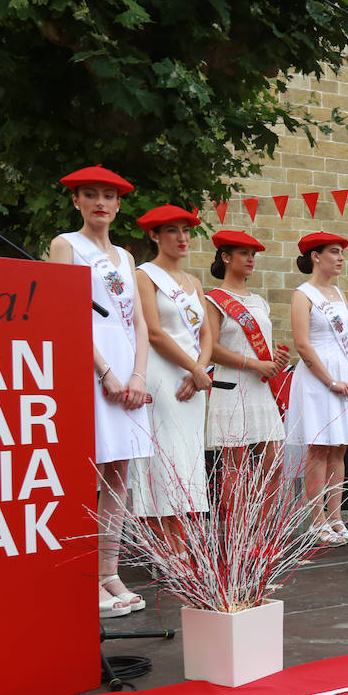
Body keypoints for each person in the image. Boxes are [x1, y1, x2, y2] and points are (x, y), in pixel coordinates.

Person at [47, 165, 152, 617]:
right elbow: (64, 311)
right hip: (88, 366)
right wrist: (105, 371)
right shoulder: (65, 246)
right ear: (76, 201)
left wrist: (138, 375)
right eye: (90, 195)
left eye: (108, 196)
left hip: (128, 367)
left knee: (119, 475)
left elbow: (140, 322)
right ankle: (83, 574)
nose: (100, 203)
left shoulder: (127, 257)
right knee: (85, 469)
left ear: (119, 204)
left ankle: (109, 570)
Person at [131, 205, 212, 539]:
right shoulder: (144, 275)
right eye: (172, 231)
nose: (182, 238)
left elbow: (207, 333)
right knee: (166, 457)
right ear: (154, 235)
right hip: (163, 375)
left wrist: (199, 371)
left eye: (186, 231)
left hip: (194, 379)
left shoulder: (193, 281)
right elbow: (153, 332)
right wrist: (195, 369)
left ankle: (182, 541)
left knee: (189, 458)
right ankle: (163, 547)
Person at [287, 231, 348, 545]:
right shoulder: (302, 294)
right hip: (317, 379)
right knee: (319, 448)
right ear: (315, 256)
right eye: (334, 251)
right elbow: (303, 345)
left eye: (342, 252)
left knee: (340, 447)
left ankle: (335, 518)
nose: (341, 258)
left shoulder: (339, 293)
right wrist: (330, 380)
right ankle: (315, 520)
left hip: (344, 375)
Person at [203, 230, 289, 490]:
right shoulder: (213, 300)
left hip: (260, 389)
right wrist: (255, 364)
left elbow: (257, 349)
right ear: (226, 257)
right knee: (235, 466)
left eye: (253, 255)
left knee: (274, 461)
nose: (251, 259)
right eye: (244, 253)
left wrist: (275, 359)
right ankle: (238, 529)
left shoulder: (261, 302)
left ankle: (266, 526)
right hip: (231, 386)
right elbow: (211, 349)